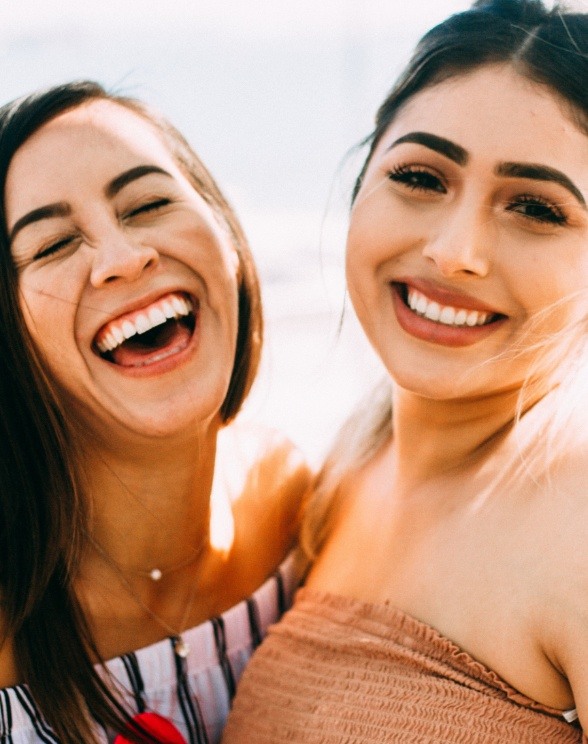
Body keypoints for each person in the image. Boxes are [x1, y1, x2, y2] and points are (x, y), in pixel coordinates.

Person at [222, 0, 588, 741]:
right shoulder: (339, 479)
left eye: (538, 209)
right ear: (362, 182)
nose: (456, 251)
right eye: (421, 176)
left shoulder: (574, 513)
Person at [0, 80, 311, 744]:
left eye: (150, 203)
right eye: (52, 245)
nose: (123, 257)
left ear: (227, 235)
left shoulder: (292, 505)